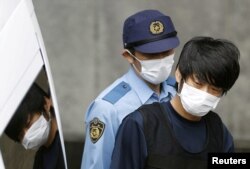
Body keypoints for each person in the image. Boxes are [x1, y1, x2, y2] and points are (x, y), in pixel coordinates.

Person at [110, 36, 240, 169]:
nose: (204, 93)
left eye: (214, 89)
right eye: (198, 83)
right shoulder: (141, 124)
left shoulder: (219, 133)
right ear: (179, 74)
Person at [81, 9, 180, 169]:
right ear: (128, 56)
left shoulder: (178, 91)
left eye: (167, 52)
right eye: (151, 54)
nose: (161, 60)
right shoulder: (107, 108)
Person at [5, 83, 65, 169]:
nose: (27, 135)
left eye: (28, 124)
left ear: (46, 104)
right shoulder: (40, 163)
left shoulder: (72, 131)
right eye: (21, 135)